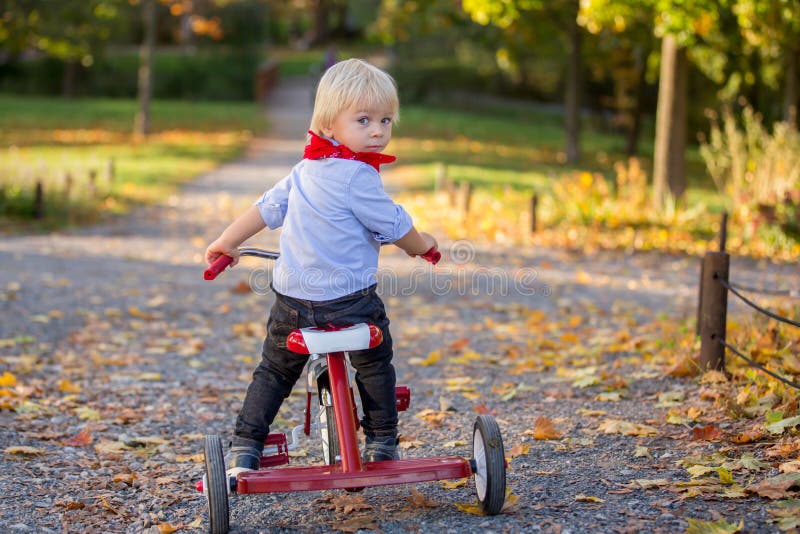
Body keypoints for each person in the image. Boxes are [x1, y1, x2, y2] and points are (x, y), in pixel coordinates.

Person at [205, 58, 437, 476]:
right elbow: (395, 224)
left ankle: (245, 447)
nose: (378, 131)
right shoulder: (358, 177)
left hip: (294, 299)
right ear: (328, 126)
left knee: (275, 370)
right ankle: (383, 439)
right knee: (374, 358)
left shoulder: (303, 170)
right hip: (349, 300)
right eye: (364, 120)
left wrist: (228, 242)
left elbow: (265, 209)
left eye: (386, 120)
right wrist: (421, 247)